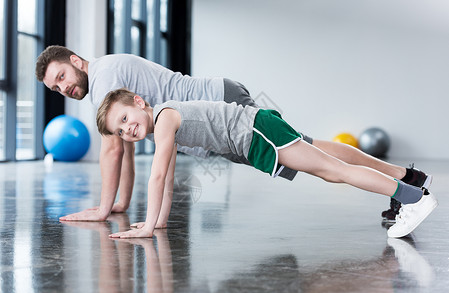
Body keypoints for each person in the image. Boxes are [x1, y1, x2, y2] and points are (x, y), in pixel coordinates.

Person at [35, 45, 431, 223]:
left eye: (62, 78)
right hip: (223, 116)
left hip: (225, 109)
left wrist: (106, 210)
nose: (64, 88)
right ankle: (403, 178)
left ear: (74, 61)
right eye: (55, 89)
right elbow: (131, 152)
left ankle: (406, 192)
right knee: (313, 152)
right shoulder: (110, 76)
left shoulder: (105, 82)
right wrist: (123, 205)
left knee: (322, 164)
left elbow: (113, 154)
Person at [95, 88, 438, 239]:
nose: (127, 130)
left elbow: (155, 178)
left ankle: (414, 197)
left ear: (139, 102)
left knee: (334, 171)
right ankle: (409, 182)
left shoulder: (166, 117)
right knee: (329, 161)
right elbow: (165, 181)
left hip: (258, 131)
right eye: (120, 131)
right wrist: (155, 222)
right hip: (259, 127)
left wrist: (146, 226)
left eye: (125, 118)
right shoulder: (160, 129)